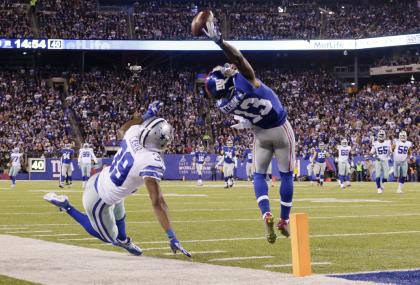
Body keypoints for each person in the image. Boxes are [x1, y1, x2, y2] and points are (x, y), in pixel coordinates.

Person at [43, 101, 191, 257]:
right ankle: (67, 206)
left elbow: (123, 129)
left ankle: (124, 239)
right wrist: (171, 235)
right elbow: (157, 202)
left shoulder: (133, 133)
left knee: (120, 205)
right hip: (98, 199)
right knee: (108, 238)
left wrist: (147, 114)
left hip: (100, 178)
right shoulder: (150, 161)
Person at [202, 19, 295, 243]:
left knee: (259, 174)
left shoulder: (223, 105)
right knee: (285, 174)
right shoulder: (246, 81)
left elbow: (237, 102)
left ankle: (266, 213)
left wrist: (245, 123)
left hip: (260, 134)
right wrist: (221, 42)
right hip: (280, 129)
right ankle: (284, 219)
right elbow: (238, 59)